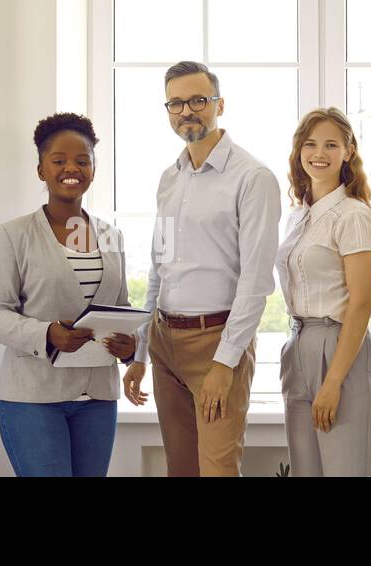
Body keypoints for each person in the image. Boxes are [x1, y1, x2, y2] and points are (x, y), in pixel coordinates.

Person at [124, 61, 281, 477]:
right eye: (176, 103)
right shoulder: (169, 179)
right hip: (164, 341)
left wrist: (225, 363)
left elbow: (256, 280)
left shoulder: (253, 177)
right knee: (182, 470)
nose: (186, 111)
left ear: (219, 105)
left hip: (216, 341)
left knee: (217, 470)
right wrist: (141, 351)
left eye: (197, 100)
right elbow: (160, 267)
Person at [0, 113, 136, 477]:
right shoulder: (12, 235)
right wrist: (47, 333)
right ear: (41, 170)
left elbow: (123, 308)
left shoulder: (111, 236)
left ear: (94, 169)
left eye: (82, 161)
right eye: (59, 160)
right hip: (33, 399)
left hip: (98, 397)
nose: (72, 168)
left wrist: (132, 349)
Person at [276, 107, 371, 477]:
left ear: (348, 151)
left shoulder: (354, 215)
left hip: (340, 349)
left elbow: (362, 303)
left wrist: (333, 381)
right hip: (297, 345)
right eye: (310, 144)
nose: (319, 153)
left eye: (331, 145)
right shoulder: (296, 217)